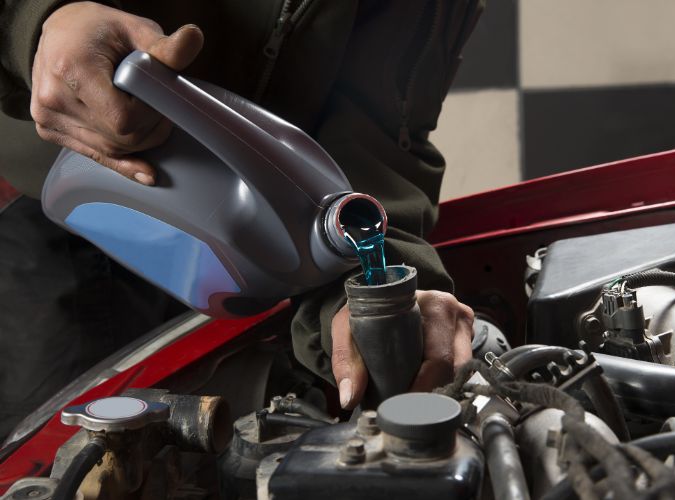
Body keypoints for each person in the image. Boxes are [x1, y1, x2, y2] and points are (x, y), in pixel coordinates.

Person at [0, 0, 483, 435]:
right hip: (71, 197)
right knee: (56, 450)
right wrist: (39, 17)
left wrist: (363, 287)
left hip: (257, 252)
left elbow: (380, 132)